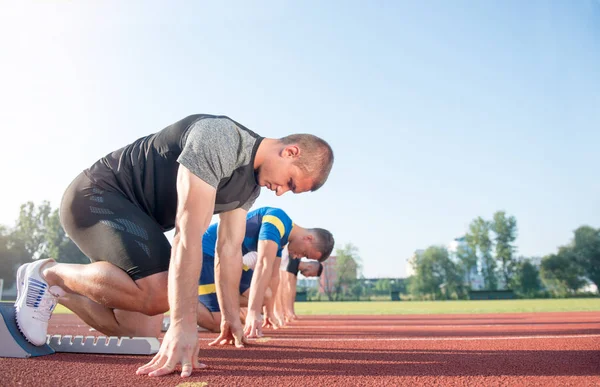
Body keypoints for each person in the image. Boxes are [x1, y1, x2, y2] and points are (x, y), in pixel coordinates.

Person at [14, 114, 333, 378]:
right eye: (291, 183)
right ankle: (49, 273)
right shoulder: (221, 138)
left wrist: (230, 317)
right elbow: (188, 234)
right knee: (160, 293)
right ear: (290, 152)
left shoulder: (249, 188)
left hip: (141, 222)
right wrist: (181, 325)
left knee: (138, 330)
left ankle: (61, 292)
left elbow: (230, 249)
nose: (281, 193)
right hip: (98, 195)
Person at [195, 207, 331, 334]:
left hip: (230, 258)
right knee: (220, 324)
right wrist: (253, 313)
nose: (299, 257)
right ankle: (178, 298)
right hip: (208, 252)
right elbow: (263, 265)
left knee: (266, 296)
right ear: (308, 238)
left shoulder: (282, 238)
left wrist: (269, 312)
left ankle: (215, 301)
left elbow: (273, 275)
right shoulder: (276, 220)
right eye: (305, 254)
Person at [273, 255, 323, 326]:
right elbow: (284, 287)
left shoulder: (295, 266)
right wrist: (281, 312)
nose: (307, 276)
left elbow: (292, 290)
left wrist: (290, 311)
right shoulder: (292, 261)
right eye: (310, 275)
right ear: (310, 267)